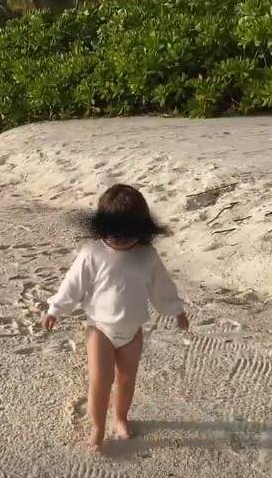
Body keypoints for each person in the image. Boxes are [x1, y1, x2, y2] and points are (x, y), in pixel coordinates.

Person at [41, 183, 189, 452]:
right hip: (99, 328)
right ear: (101, 227)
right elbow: (72, 284)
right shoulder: (92, 253)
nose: (120, 241)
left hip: (132, 330)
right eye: (114, 234)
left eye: (128, 235)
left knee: (126, 378)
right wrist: (56, 309)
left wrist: (176, 309)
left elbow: (162, 287)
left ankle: (120, 417)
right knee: (101, 378)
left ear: (142, 230)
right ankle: (97, 425)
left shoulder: (147, 256)